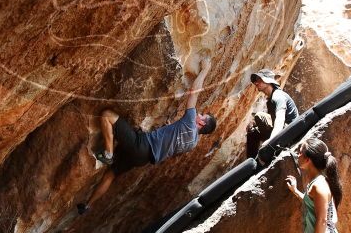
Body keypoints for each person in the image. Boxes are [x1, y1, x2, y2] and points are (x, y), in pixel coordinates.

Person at [76, 59, 217, 214]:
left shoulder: (190, 122)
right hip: (144, 159)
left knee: (106, 116)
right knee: (111, 173)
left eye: (202, 115)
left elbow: (194, 92)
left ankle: (108, 153)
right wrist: (166, 129)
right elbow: (172, 145)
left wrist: (205, 70)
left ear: (202, 124)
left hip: (142, 144)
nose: (199, 113)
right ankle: (87, 205)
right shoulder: (193, 143)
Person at [246, 69, 298, 159]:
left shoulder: (278, 96)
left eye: (260, 80)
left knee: (259, 116)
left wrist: (271, 141)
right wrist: (253, 123)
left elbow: (280, 119)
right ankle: (252, 163)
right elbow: (272, 119)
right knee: (252, 132)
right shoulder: (270, 100)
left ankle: (272, 150)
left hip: (289, 134)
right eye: (255, 81)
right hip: (283, 132)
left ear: (268, 81)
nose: (256, 83)